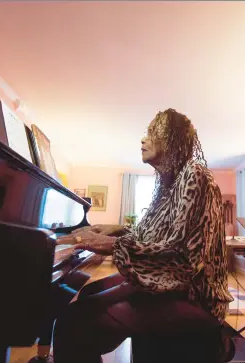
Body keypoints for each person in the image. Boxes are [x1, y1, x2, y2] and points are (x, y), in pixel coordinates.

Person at [53, 108, 234, 363]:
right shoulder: (169, 184)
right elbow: (156, 237)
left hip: (194, 296)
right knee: (87, 296)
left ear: (171, 138)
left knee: (73, 323)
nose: (143, 139)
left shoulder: (195, 177)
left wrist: (113, 245)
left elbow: (184, 258)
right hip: (168, 288)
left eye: (151, 132)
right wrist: (116, 229)